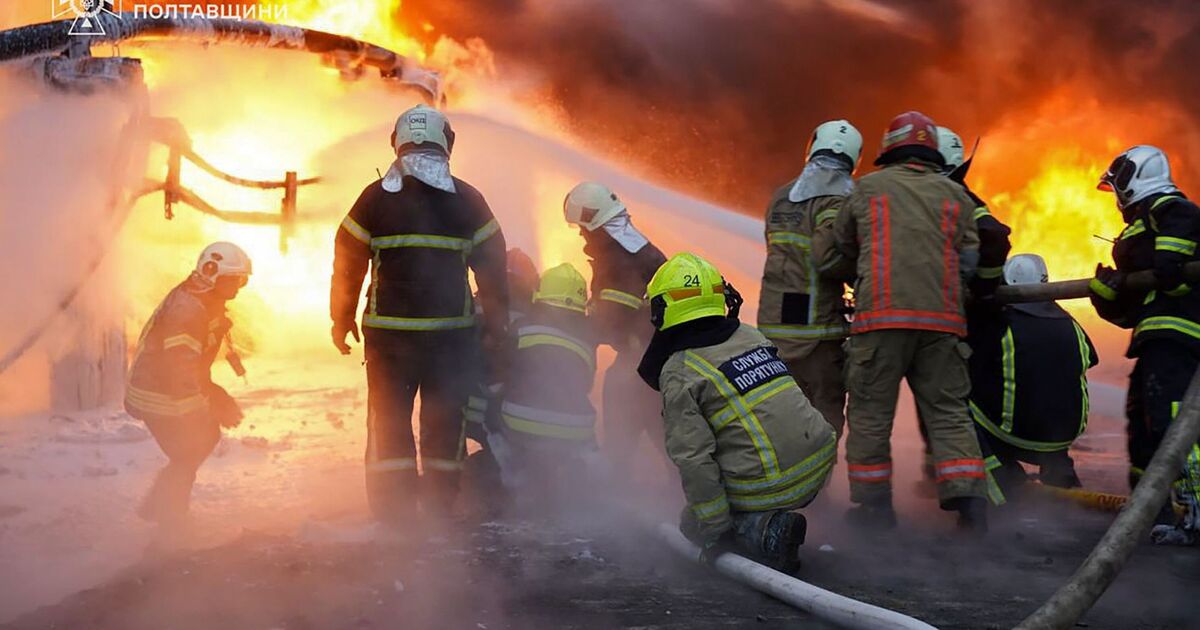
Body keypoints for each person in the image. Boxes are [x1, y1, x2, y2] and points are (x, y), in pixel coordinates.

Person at [331, 104, 508, 523]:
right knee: (445, 422)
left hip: (389, 340)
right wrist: (496, 328)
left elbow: (347, 263)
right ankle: (441, 507)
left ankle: (395, 513)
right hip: (452, 338)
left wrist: (341, 319)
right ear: (445, 142)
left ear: (397, 141)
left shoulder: (373, 198)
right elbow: (494, 267)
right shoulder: (468, 199)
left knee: (389, 421)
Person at [818, 111, 988, 531]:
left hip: (881, 322)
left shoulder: (868, 189)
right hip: (943, 324)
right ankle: (969, 504)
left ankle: (874, 509)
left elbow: (839, 247)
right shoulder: (956, 196)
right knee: (948, 411)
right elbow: (969, 261)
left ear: (888, 150)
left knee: (872, 414)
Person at [638, 252, 835, 571]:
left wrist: (714, 530)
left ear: (662, 309)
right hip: (820, 459)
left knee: (692, 521)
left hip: (776, 482)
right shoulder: (749, 333)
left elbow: (693, 457)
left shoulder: (679, 371)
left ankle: (763, 530)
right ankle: (769, 511)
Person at [1090, 145, 1200, 546]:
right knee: (1142, 423)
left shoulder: (1168, 208)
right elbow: (1131, 312)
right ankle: (1147, 509)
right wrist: (1105, 292)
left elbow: (1185, 228)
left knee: (1172, 421)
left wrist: (1169, 259)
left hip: (1183, 336)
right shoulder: (1145, 230)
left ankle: (1194, 511)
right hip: (1154, 339)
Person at [126, 242, 251, 524]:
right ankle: (168, 518)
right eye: (235, 279)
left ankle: (163, 509)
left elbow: (190, 364)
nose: (239, 287)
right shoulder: (188, 310)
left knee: (196, 444)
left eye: (242, 280)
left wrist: (212, 393)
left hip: (165, 388)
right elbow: (179, 368)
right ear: (213, 274)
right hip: (157, 394)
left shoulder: (202, 299)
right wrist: (204, 405)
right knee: (192, 447)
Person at [759, 120, 861, 437]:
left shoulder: (781, 196)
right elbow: (827, 258)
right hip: (817, 335)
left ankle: (785, 480)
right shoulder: (838, 199)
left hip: (774, 327)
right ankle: (817, 483)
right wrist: (860, 272)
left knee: (782, 412)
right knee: (824, 414)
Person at [969, 254, 1097, 499]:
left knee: (955, 399)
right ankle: (1060, 473)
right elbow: (1089, 360)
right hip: (1061, 437)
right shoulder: (1071, 324)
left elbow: (974, 364)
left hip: (1013, 435)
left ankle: (1002, 485)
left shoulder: (998, 323)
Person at [563, 181, 667, 475]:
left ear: (594, 223)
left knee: (623, 430)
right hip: (657, 363)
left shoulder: (619, 261)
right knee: (666, 442)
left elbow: (610, 322)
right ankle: (676, 498)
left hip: (640, 368)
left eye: (582, 227)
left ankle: (615, 491)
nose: (581, 234)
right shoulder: (637, 249)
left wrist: (564, 322)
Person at [499, 263, 599, 500]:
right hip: (577, 425)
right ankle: (575, 472)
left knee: (493, 406)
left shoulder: (520, 328)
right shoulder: (589, 338)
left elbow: (502, 371)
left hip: (522, 419)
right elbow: (586, 384)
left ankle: (510, 470)